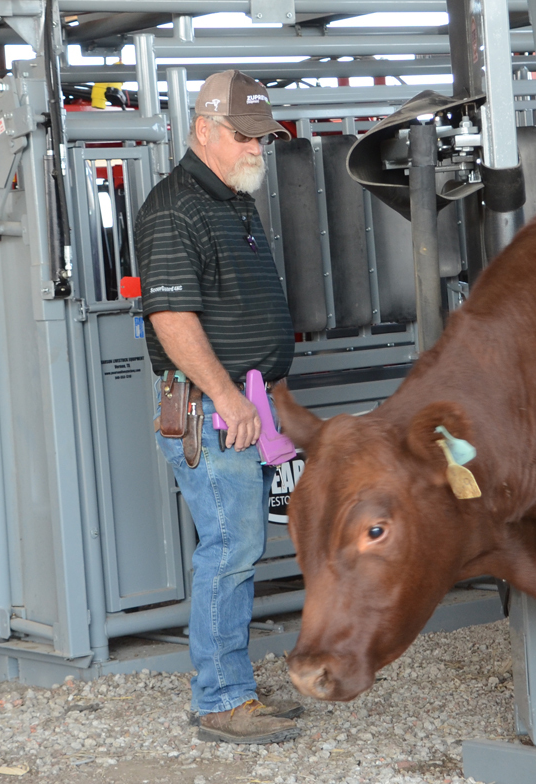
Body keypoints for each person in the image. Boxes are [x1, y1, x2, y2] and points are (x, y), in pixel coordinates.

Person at [134, 70, 303, 745]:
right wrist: (232, 399)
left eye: (263, 135)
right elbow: (172, 318)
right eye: (244, 135)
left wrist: (271, 396)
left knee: (240, 546)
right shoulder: (175, 207)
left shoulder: (233, 198)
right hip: (212, 412)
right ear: (203, 131)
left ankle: (230, 686)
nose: (256, 147)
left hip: (246, 407)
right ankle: (222, 698)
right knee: (230, 549)